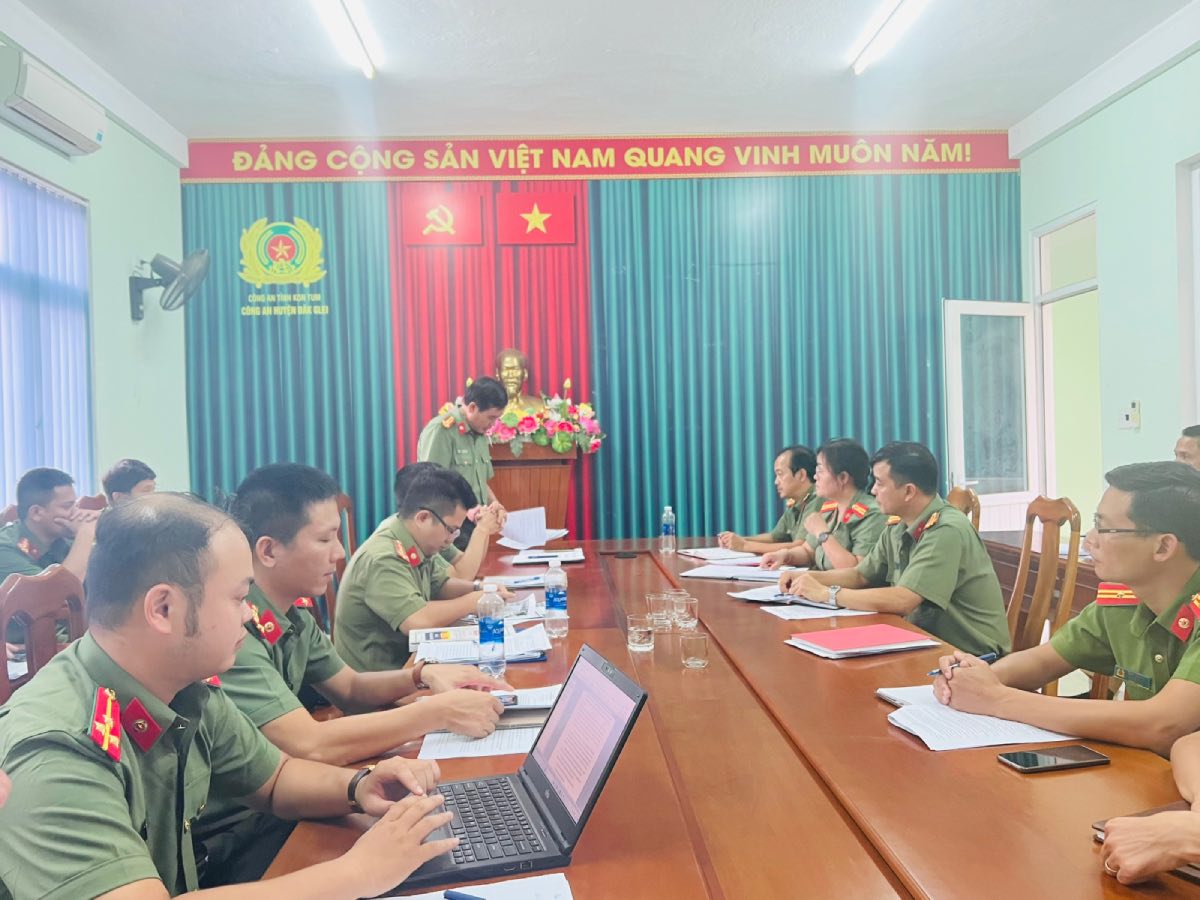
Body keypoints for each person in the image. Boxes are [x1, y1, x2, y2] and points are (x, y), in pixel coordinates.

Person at [0, 493, 459, 899]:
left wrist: (359, 786)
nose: (248, 615)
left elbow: (275, 779)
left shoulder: (181, 683)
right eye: (239, 597)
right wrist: (359, 873)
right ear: (164, 609)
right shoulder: (57, 750)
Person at [933, 461, 1200, 757]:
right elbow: (1042, 663)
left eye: (1105, 527)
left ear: (1163, 547)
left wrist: (997, 699)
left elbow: (1163, 725)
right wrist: (974, 678)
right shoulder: (1124, 603)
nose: (1090, 540)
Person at [781, 441, 1010, 658]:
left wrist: (827, 594)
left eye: (880, 483)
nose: (872, 491)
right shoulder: (899, 524)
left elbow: (904, 599)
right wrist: (808, 577)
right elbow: (861, 574)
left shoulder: (945, 529)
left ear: (909, 491)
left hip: (971, 657)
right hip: (925, 643)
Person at [335, 466, 513, 672]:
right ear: (423, 518)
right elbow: (417, 621)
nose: (450, 540)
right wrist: (475, 601)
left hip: (410, 664)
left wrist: (480, 589)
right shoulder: (383, 557)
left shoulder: (412, 534)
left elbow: (441, 586)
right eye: (451, 530)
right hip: (379, 681)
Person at [0, 467, 99, 655]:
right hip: (25, 653)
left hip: (71, 643)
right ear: (37, 512)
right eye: (67, 507)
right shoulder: (6, 549)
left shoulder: (63, 541)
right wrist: (86, 533)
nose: (75, 514)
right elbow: (57, 595)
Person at [761, 439, 885, 571]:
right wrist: (785, 555)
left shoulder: (872, 514)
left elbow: (857, 572)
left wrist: (823, 534)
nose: (815, 477)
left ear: (843, 477)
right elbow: (808, 551)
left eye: (820, 470)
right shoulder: (830, 508)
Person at [417, 376, 509, 549]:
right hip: (449, 528)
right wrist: (467, 512)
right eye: (490, 417)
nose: (493, 424)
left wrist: (495, 504)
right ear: (473, 407)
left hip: (476, 525)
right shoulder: (442, 431)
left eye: (497, 419)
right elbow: (430, 485)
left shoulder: (479, 434)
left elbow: (481, 482)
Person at [394, 462, 501, 581]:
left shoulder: (431, 532)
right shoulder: (423, 536)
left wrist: (484, 523)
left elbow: (473, 565)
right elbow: (462, 577)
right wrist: (482, 529)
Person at [717, 446, 823, 553]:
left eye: (780, 474)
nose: (776, 482)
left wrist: (745, 545)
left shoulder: (817, 499)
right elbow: (775, 537)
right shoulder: (795, 501)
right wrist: (738, 540)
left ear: (801, 475)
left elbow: (801, 547)